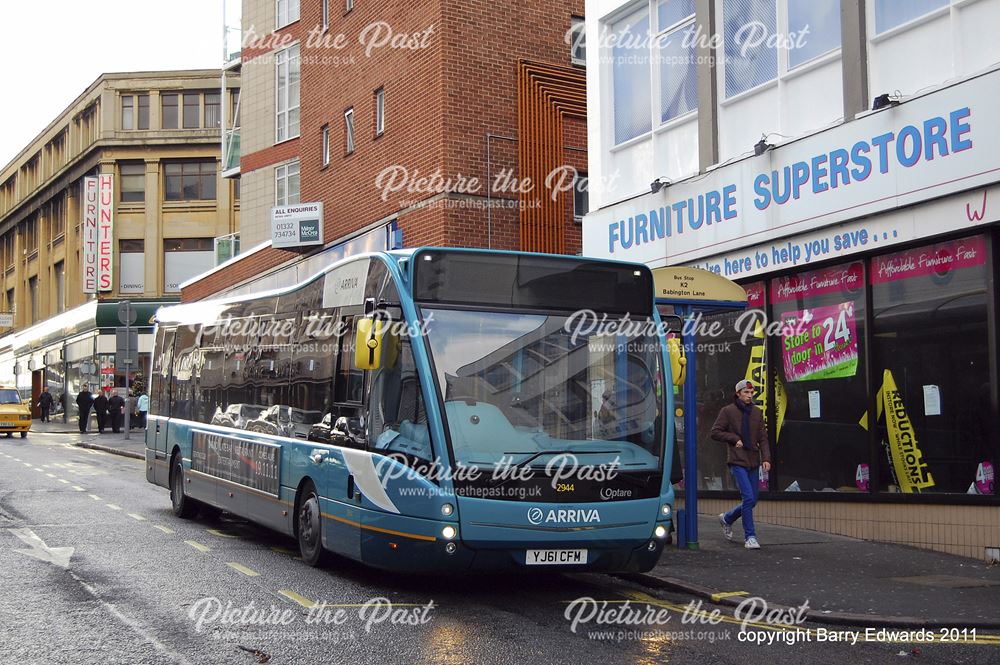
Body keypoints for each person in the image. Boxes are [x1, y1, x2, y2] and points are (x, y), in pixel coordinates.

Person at [712, 379, 771, 550]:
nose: (749, 396)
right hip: (737, 460)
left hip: (753, 460)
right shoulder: (728, 411)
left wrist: (766, 458)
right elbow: (715, 432)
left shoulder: (757, 413)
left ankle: (727, 518)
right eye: (746, 393)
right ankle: (750, 536)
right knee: (748, 497)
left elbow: (763, 438)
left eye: (751, 393)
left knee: (752, 500)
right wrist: (733, 439)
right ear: (738, 393)